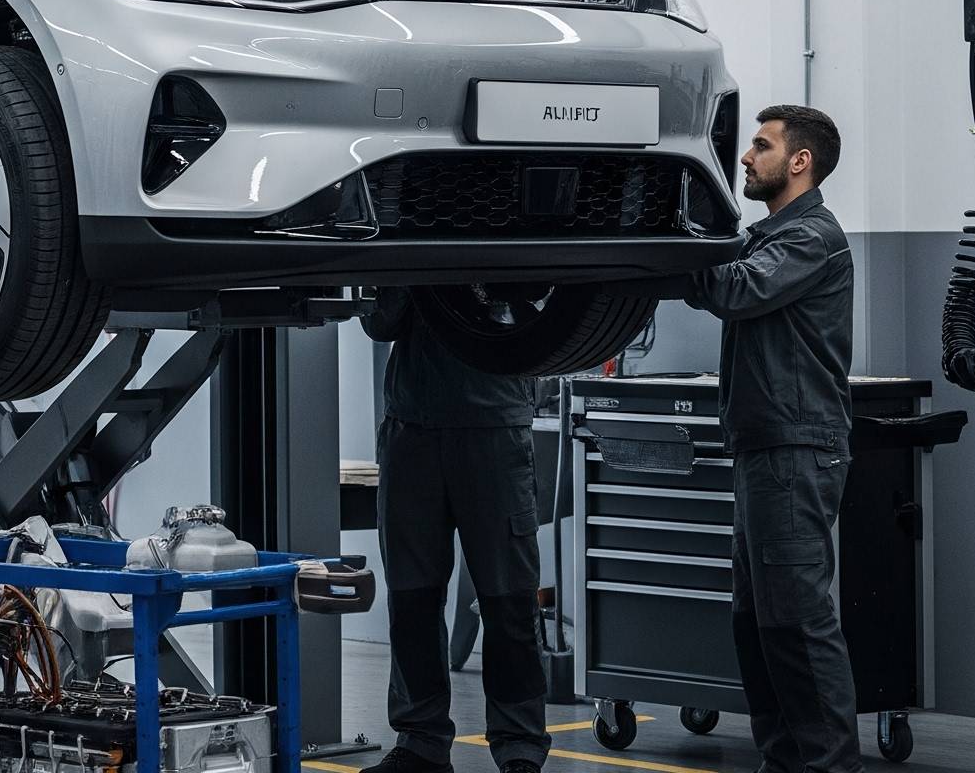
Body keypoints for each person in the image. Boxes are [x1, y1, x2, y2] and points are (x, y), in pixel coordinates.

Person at [605, 104, 857, 773]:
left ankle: (831, 765)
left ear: (799, 162)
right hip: (763, 448)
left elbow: (735, 290)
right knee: (760, 625)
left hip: (795, 450)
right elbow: (724, 272)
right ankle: (784, 760)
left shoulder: (811, 239)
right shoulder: (771, 235)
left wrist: (656, 244)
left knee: (799, 623)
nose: (748, 156)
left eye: (761, 145)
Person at [362, 288, 551, 773]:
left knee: (509, 600)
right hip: (412, 427)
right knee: (412, 598)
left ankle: (520, 747)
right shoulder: (405, 224)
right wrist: (411, 275)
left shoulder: (517, 228)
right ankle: (421, 740)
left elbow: (546, 314)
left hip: (494, 425)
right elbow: (378, 324)